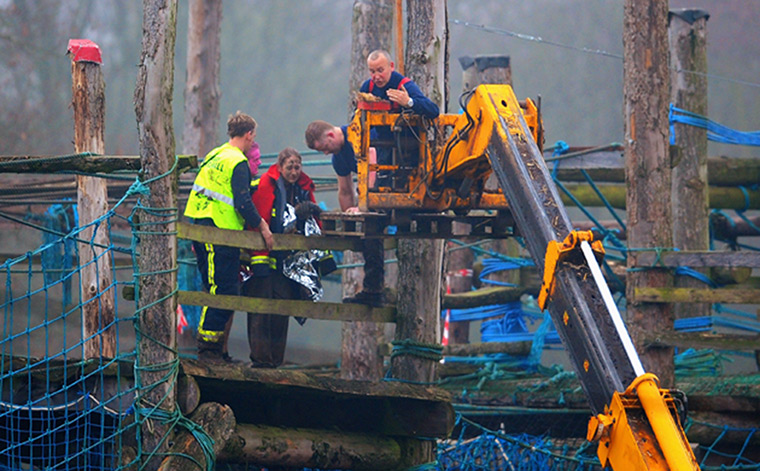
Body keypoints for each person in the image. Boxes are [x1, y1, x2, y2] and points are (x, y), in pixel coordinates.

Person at [303, 51, 439, 307]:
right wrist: (351, 216)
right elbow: (345, 190)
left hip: (401, 162)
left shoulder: (403, 84)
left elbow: (432, 110)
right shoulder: (366, 90)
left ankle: (376, 289)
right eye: (372, 71)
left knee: (374, 227)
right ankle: (374, 289)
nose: (376, 76)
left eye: (380, 70)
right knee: (369, 232)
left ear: (390, 67)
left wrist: (408, 101)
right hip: (379, 168)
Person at [184, 111, 274, 363]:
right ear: (249, 134)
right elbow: (242, 202)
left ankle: (212, 350)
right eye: (253, 137)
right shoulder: (238, 162)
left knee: (213, 289)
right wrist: (263, 226)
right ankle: (208, 349)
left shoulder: (214, 155)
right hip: (221, 231)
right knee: (224, 291)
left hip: (199, 226)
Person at [244, 147, 325, 368]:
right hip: (264, 258)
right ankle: (261, 360)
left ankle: (276, 360)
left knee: (282, 310)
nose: (294, 171)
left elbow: (315, 225)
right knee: (261, 308)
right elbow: (258, 220)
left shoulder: (303, 189)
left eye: (297, 167)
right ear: (280, 167)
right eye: (289, 167)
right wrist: (257, 257)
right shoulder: (267, 185)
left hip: (290, 263)